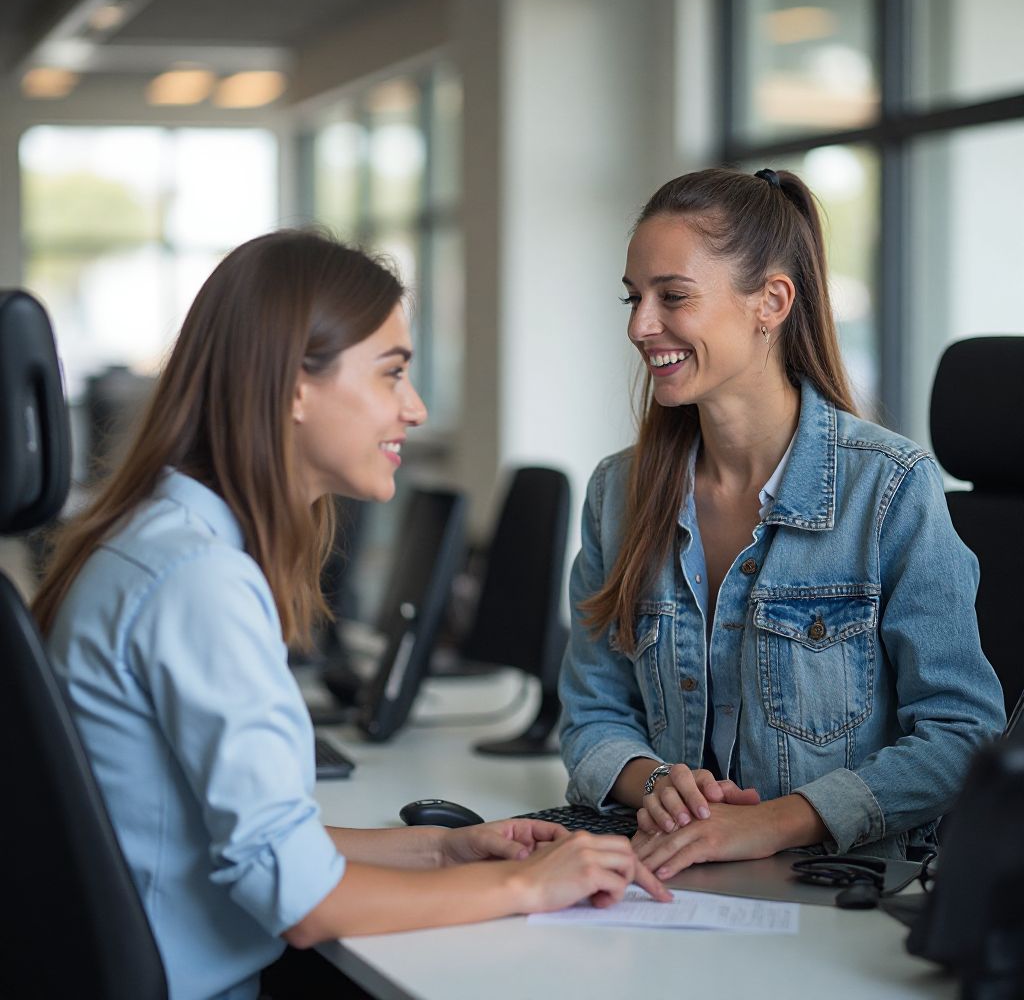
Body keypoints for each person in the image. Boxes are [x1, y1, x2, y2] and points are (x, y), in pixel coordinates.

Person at [33, 229, 668, 1000]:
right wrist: (529, 887)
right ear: (293, 386)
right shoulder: (199, 581)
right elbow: (300, 901)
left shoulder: (158, 542)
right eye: (392, 373)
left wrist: (442, 848)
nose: (416, 406)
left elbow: (248, 843)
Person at [557, 167, 1005, 883]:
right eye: (633, 298)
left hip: (833, 888)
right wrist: (651, 781)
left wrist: (772, 822)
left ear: (771, 301)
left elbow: (963, 736)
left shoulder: (889, 489)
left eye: (672, 296)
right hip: (670, 877)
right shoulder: (620, 490)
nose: (640, 326)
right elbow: (590, 711)